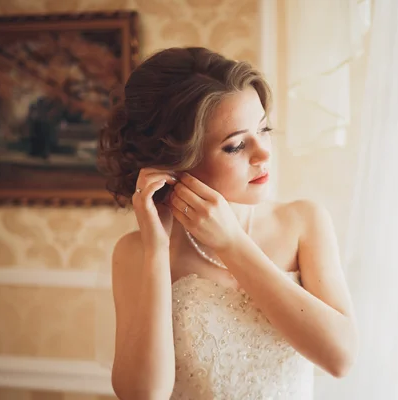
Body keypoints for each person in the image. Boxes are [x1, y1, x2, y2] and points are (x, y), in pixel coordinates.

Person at [97, 47, 358, 400]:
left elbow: (340, 359)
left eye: (264, 129)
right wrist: (156, 252)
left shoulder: (303, 222)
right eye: (236, 146)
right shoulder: (135, 252)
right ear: (176, 163)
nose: (264, 153)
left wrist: (232, 244)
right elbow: (144, 394)